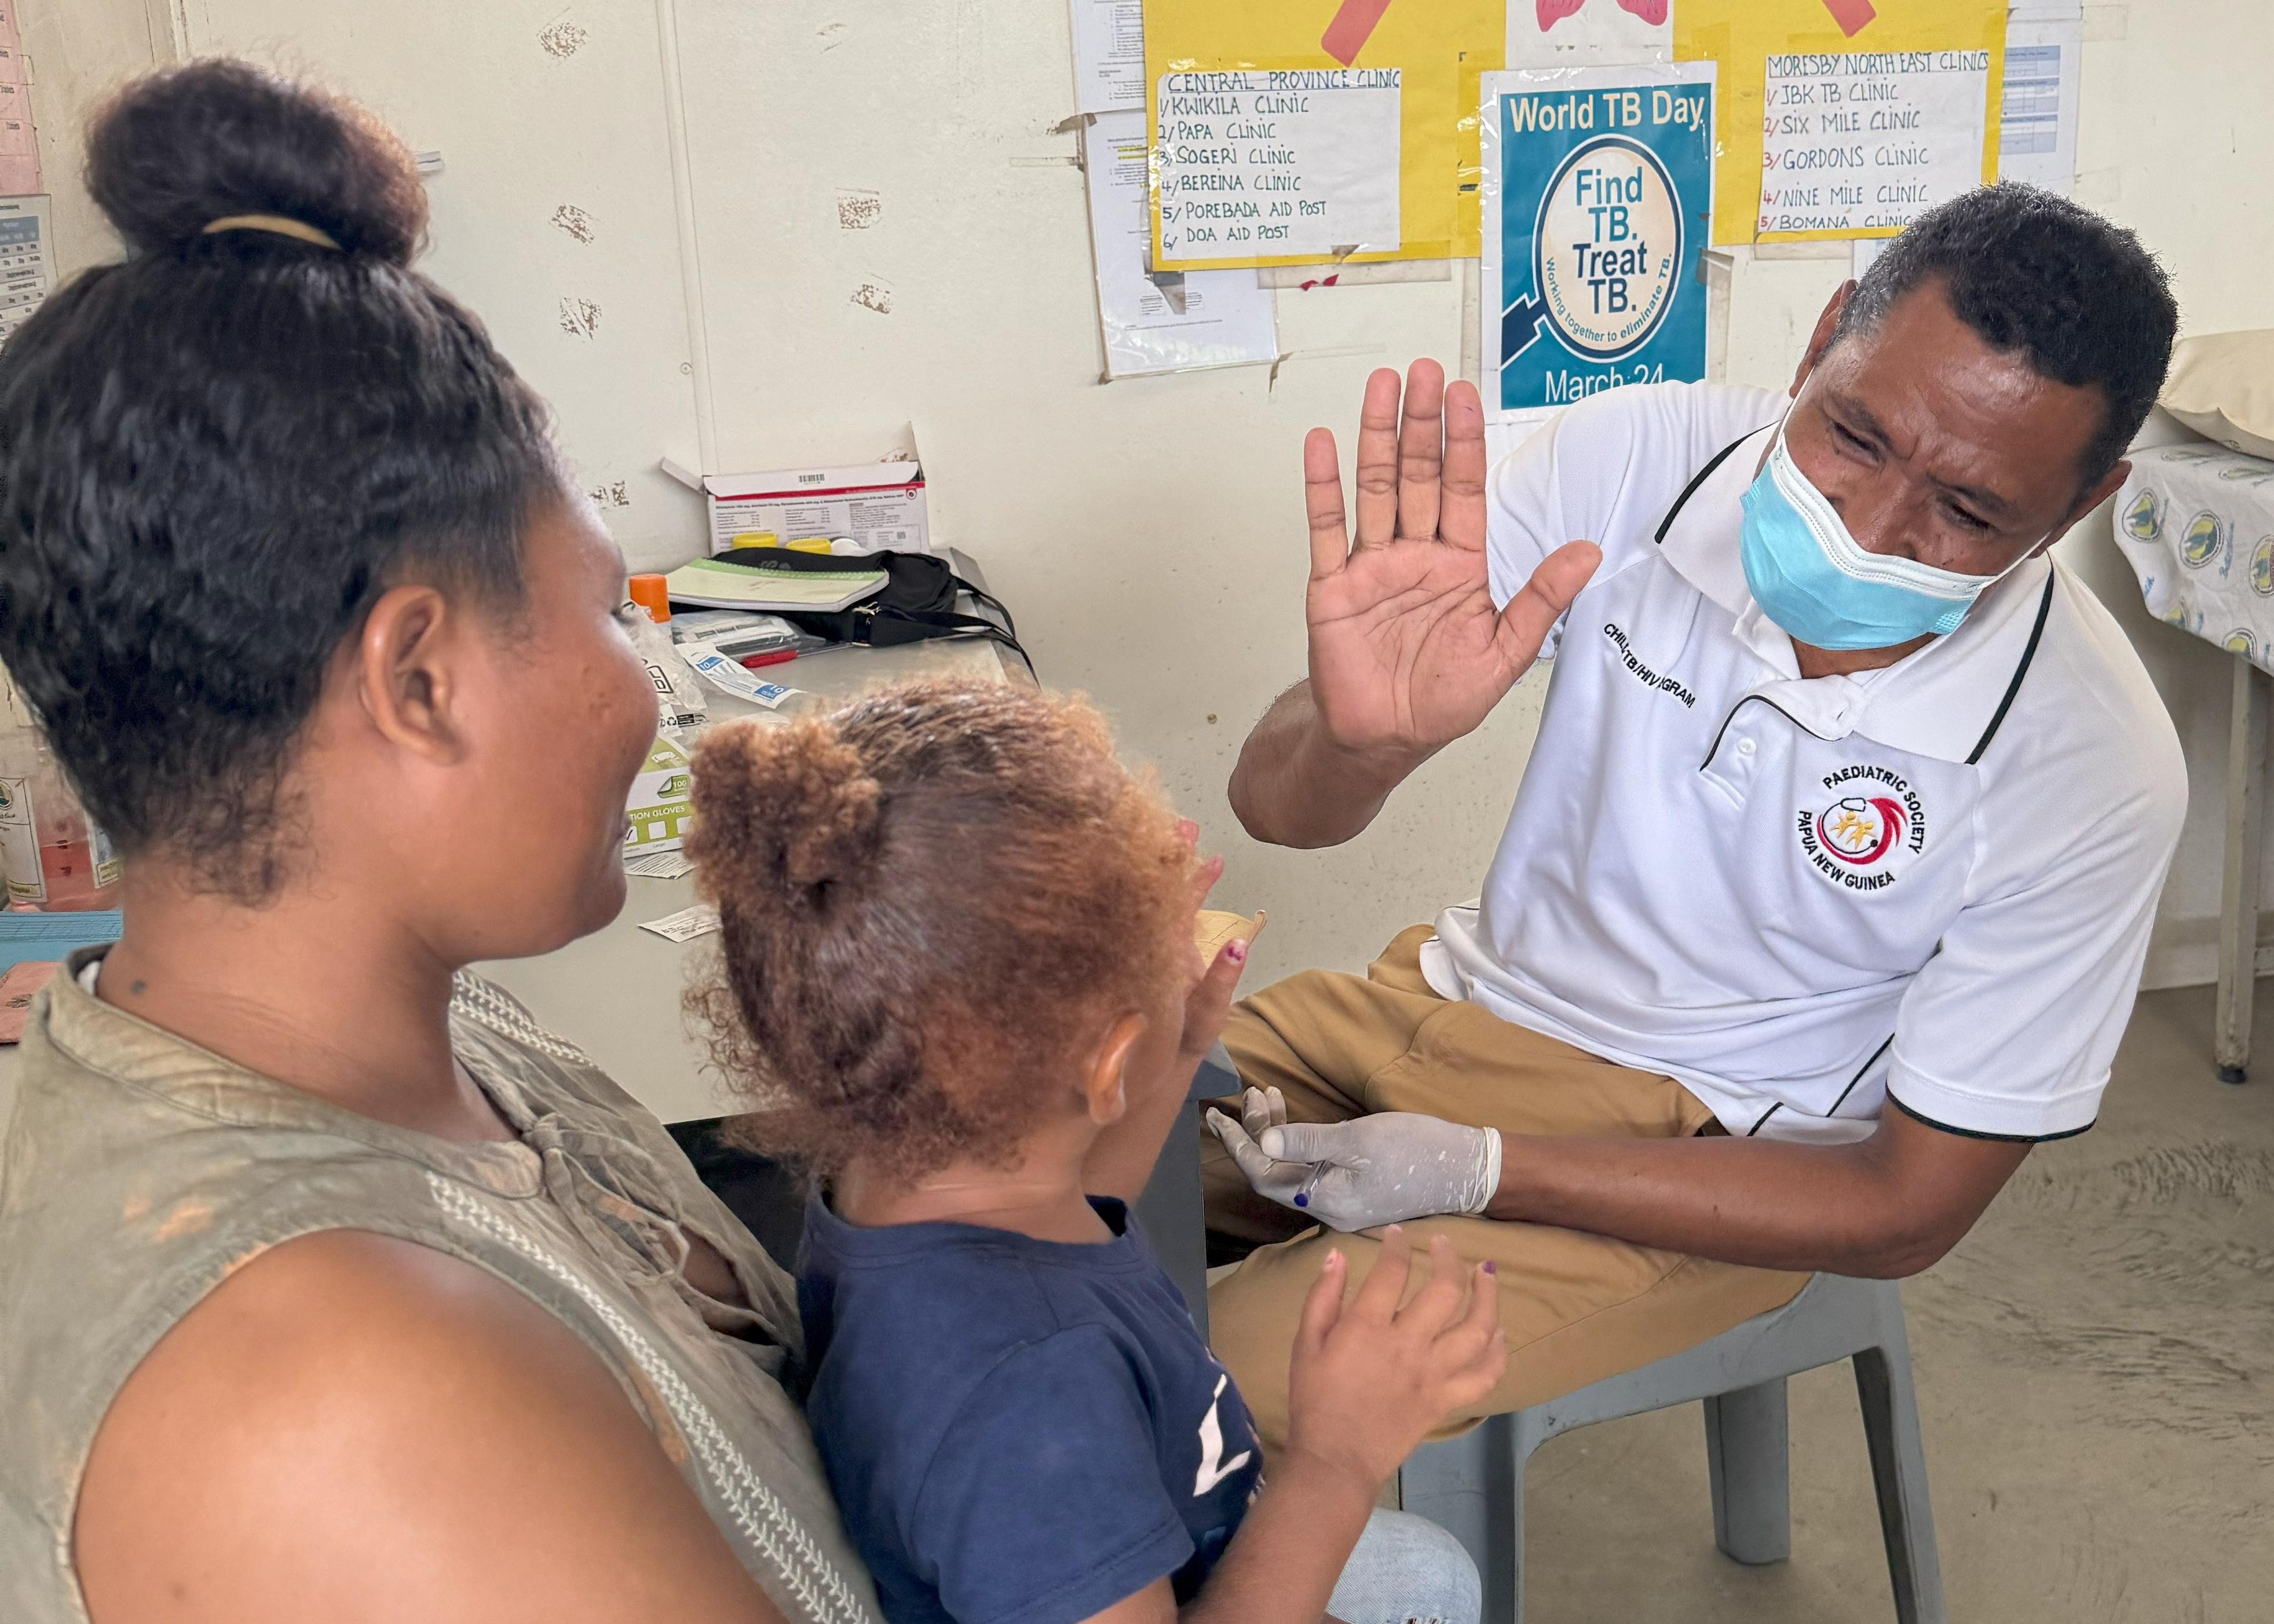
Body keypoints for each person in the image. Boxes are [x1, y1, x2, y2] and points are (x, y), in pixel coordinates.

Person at [0, 61, 875, 1623]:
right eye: (609, 609)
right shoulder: (342, 1399)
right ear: (416, 679)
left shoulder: (432, 1032)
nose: (652, 686)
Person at [1202, 184, 2188, 1447]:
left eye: (1966, 511)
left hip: (1712, 1153)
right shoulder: (1633, 461)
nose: (1864, 530)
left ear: (2080, 503)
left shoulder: (2086, 764)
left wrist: (1484, 1167)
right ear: (1823, 335)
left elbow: (1905, 1211)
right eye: (1854, 435)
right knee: (991, 1134)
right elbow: (1271, 810)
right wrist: (1357, 745)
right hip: (1438, 1004)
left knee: (1196, 1388)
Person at [683, 680, 1501, 1624]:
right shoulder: (1026, 1401)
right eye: (1165, 947)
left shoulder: (898, 1177)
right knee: (1431, 1579)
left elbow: (1075, 1212)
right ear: (1105, 1062)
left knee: (1431, 1574)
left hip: (1147, 1530)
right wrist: (1336, 1461)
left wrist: (1180, 1041)